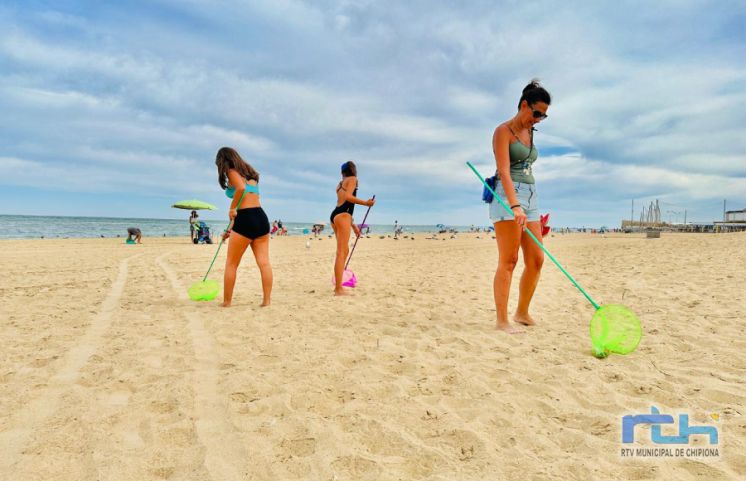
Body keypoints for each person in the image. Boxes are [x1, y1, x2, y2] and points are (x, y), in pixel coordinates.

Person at [489, 79, 550, 333]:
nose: (538, 119)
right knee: (509, 259)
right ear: (524, 105)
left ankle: (522, 312)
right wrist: (515, 206)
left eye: (543, 116)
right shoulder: (503, 131)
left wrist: (527, 207)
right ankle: (502, 321)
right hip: (507, 194)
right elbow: (503, 170)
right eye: (536, 113)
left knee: (537, 259)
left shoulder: (531, 131)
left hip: (531, 195)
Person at [216, 146, 273, 307]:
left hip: (246, 218)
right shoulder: (251, 175)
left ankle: (227, 302)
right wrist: (230, 228)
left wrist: (231, 208)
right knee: (264, 263)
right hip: (260, 217)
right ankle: (266, 301)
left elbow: (240, 190)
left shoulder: (231, 171)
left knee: (231, 264)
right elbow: (248, 199)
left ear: (223, 161)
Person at [330, 161, 375, 295]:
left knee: (345, 250)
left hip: (335, 215)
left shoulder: (339, 185)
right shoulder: (353, 179)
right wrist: (366, 203)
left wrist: (354, 226)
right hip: (343, 216)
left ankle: (339, 279)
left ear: (342, 172)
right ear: (353, 170)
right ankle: (338, 288)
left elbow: (343, 204)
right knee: (341, 252)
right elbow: (349, 198)